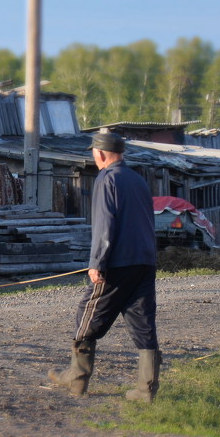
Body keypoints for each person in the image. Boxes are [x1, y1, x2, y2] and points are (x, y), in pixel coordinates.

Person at [47, 130, 161, 401]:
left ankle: (76, 379)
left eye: (93, 153)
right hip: (144, 261)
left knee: (87, 314)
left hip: (118, 262)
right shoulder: (138, 180)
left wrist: (96, 262)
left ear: (99, 153)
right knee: (143, 322)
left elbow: (104, 225)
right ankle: (147, 390)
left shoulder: (107, 178)